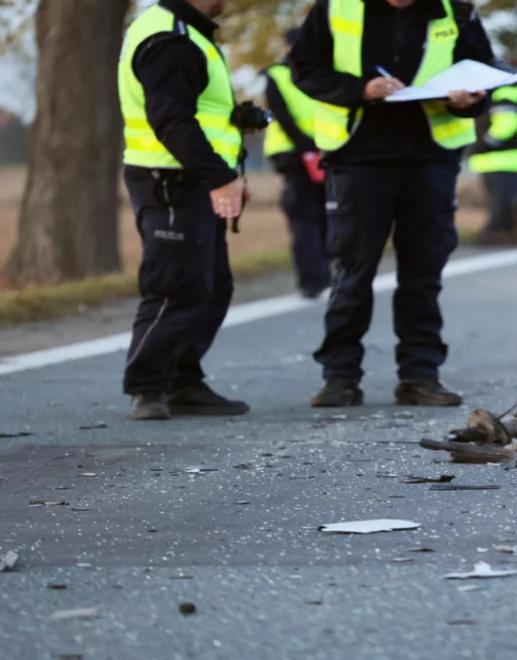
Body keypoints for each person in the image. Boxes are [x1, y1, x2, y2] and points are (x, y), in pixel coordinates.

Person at [290, 0, 494, 408]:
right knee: (352, 270)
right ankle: (340, 376)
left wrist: (467, 100)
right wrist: (359, 89)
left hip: (431, 158)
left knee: (423, 272)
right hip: (359, 157)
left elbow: (484, 75)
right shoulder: (335, 8)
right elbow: (304, 71)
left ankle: (420, 376)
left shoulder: (456, 12)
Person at [118, 0, 262, 421]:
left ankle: (182, 380)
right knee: (175, 285)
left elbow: (195, 110)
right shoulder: (171, 39)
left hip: (191, 179)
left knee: (213, 284)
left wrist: (237, 120)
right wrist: (221, 177)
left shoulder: (191, 33)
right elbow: (171, 120)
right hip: (170, 182)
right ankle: (147, 386)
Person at [263, 28, 331, 299]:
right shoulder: (278, 75)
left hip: (322, 151)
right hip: (295, 154)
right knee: (307, 219)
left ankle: (324, 278)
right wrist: (309, 149)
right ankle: (313, 281)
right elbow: (281, 114)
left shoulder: (322, 71)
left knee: (322, 218)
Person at [469, 80, 517, 244]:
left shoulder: (505, 93)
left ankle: (493, 233)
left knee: (500, 201)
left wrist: (485, 143)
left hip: (501, 158)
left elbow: (508, 123)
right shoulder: (511, 92)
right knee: (502, 200)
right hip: (500, 159)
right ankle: (506, 233)